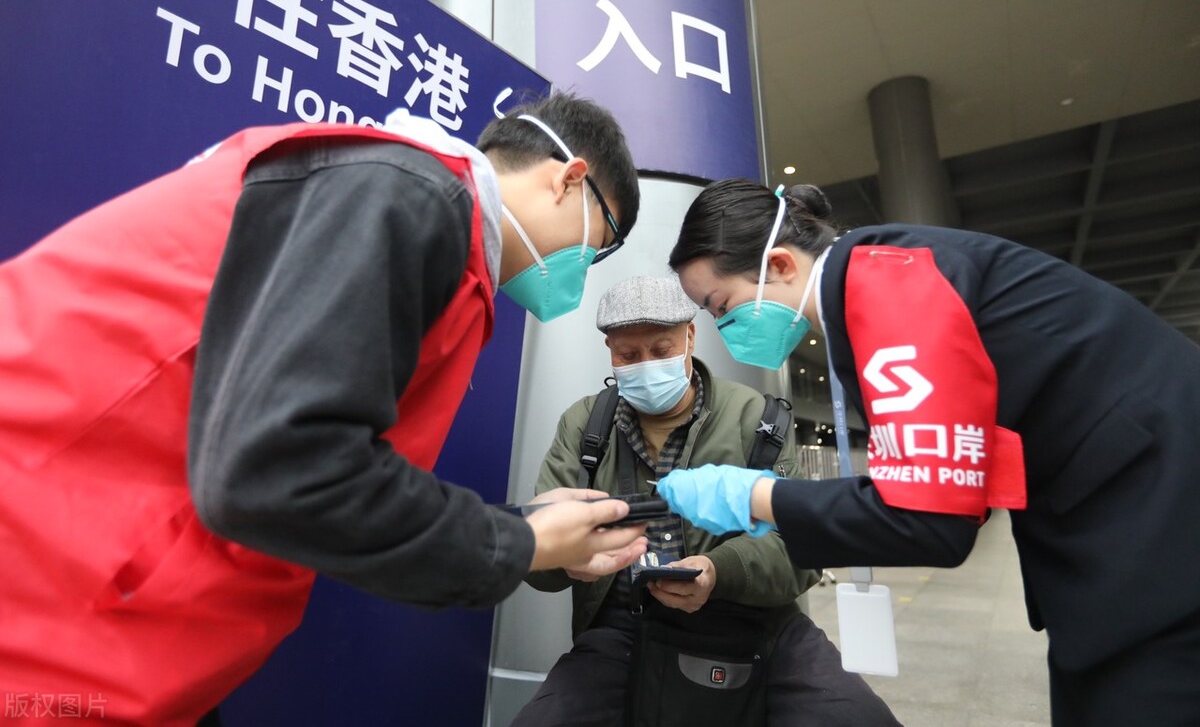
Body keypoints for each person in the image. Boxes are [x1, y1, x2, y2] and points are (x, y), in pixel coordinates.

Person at [0, 93, 651, 726]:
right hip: (54, 601)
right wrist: (523, 541)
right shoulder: (407, 195)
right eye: (604, 240)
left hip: (114, 614)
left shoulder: (405, 210)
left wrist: (519, 528)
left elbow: (308, 468)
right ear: (568, 178)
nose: (588, 265)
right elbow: (281, 470)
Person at [654, 178, 1200, 726]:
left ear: (779, 265)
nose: (725, 329)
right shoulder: (878, 276)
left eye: (721, 305)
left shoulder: (884, 285)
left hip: (1158, 525)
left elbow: (927, 518)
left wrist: (753, 495)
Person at [511, 275, 901, 727]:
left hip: (756, 621)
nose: (644, 366)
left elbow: (802, 545)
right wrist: (563, 556)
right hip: (622, 622)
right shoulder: (586, 425)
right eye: (628, 355)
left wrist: (719, 571)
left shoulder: (755, 419)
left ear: (690, 337)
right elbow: (537, 552)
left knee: (857, 717)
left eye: (660, 350)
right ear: (609, 350)